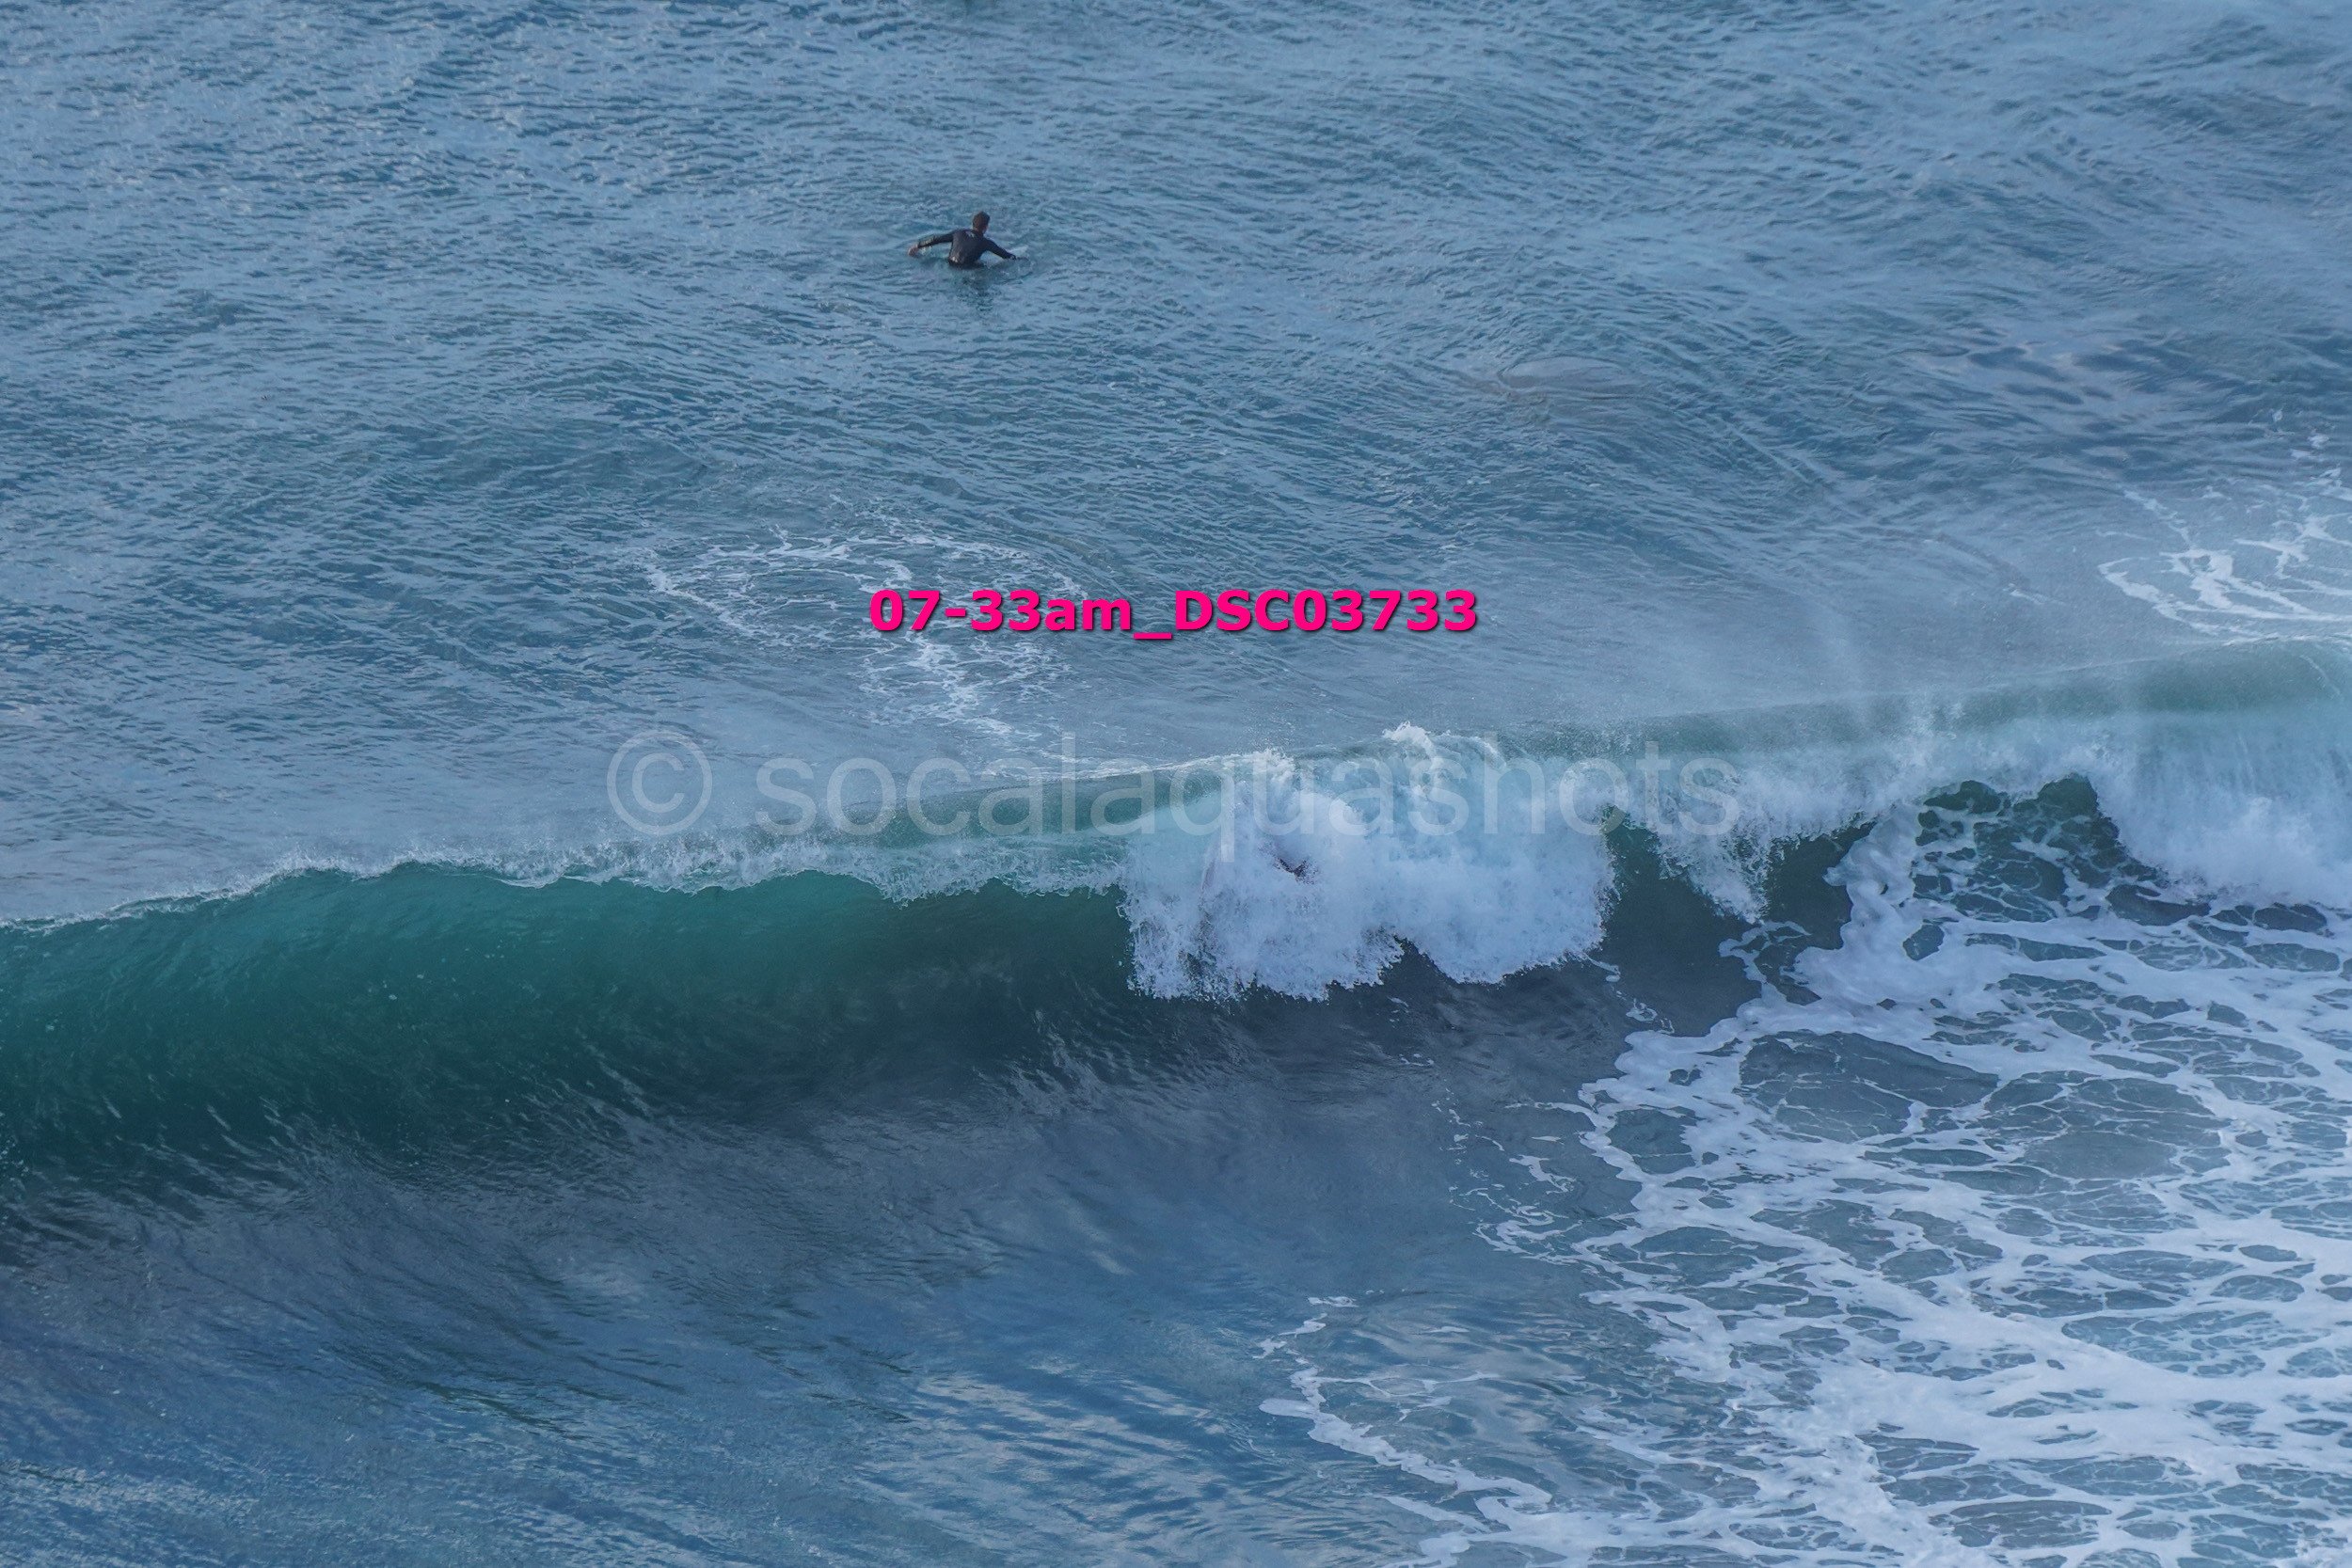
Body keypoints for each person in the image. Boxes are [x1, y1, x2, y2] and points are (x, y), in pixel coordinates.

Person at [906, 211, 1017, 267]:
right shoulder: (986, 243)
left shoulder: (958, 232)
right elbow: (1006, 256)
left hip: (949, 263)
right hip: (967, 269)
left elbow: (937, 239)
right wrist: (1021, 259)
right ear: (986, 227)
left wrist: (918, 245)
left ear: (972, 223)